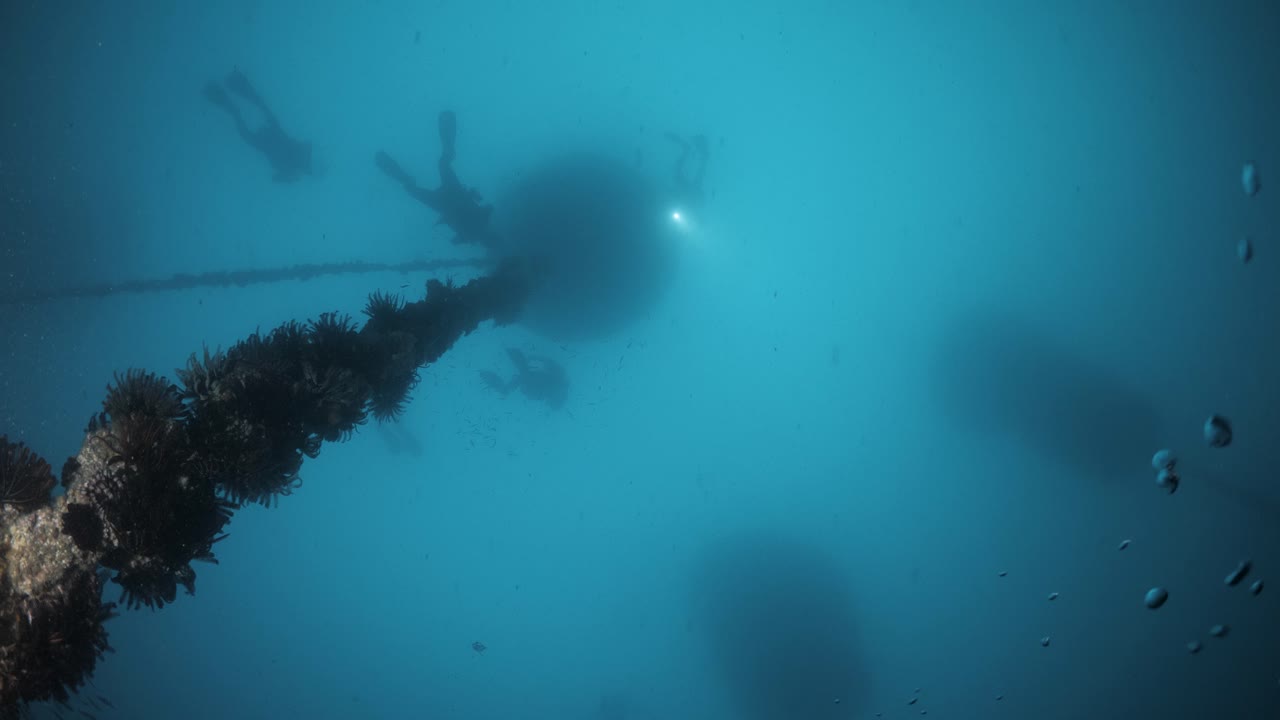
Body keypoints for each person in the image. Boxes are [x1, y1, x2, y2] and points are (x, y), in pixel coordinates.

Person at [375, 110, 499, 247]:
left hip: (451, 196)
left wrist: (475, 197)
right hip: (446, 201)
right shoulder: (471, 235)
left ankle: (446, 151)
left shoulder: (481, 224)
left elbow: (487, 207)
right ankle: (404, 176)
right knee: (415, 187)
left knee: (442, 165)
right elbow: (456, 240)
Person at [203, 68, 314, 182]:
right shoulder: (295, 166)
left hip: (272, 137)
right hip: (268, 141)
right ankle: (227, 93)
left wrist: (290, 175)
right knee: (250, 115)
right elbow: (276, 178)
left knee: (260, 107)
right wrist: (291, 176)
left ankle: (233, 86)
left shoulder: (301, 159)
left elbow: (306, 145)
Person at [478, 347, 567, 410]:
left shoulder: (550, 390)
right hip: (530, 377)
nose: (548, 402)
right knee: (506, 389)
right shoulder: (559, 383)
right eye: (551, 403)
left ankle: (484, 373)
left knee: (505, 390)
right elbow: (553, 366)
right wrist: (538, 358)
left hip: (529, 378)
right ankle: (484, 373)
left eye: (549, 403)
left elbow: (530, 392)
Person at [664, 131, 710, 210]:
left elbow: (676, 195)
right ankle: (701, 154)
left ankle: (697, 153)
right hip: (690, 191)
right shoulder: (692, 199)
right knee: (680, 172)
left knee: (678, 171)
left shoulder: (691, 201)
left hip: (689, 191)